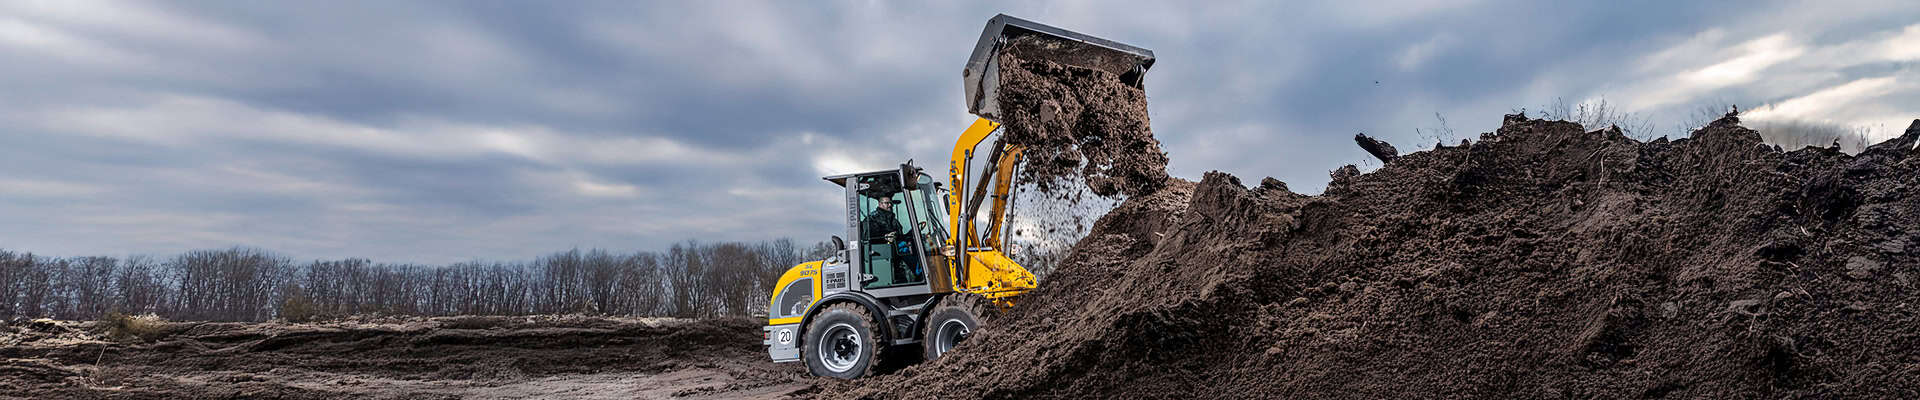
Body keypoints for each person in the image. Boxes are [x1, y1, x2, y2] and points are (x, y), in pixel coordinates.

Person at [865, 197, 921, 282]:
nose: (890, 205)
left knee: (913, 244)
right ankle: (920, 274)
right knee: (904, 248)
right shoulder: (873, 218)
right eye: (887, 203)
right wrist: (885, 237)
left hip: (894, 246)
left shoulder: (893, 219)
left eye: (891, 203)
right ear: (880, 204)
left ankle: (917, 275)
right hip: (881, 250)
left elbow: (899, 234)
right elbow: (868, 235)